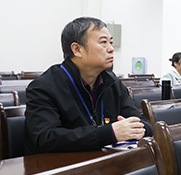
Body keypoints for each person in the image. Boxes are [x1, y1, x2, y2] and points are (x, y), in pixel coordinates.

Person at [24, 17, 152, 154]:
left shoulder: (112, 82)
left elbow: (144, 125)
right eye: (103, 42)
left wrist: (137, 129)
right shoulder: (43, 87)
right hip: (61, 169)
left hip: (105, 163)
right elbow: (46, 139)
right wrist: (109, 133)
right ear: (77, 49)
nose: (111, 49)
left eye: (111, 42)